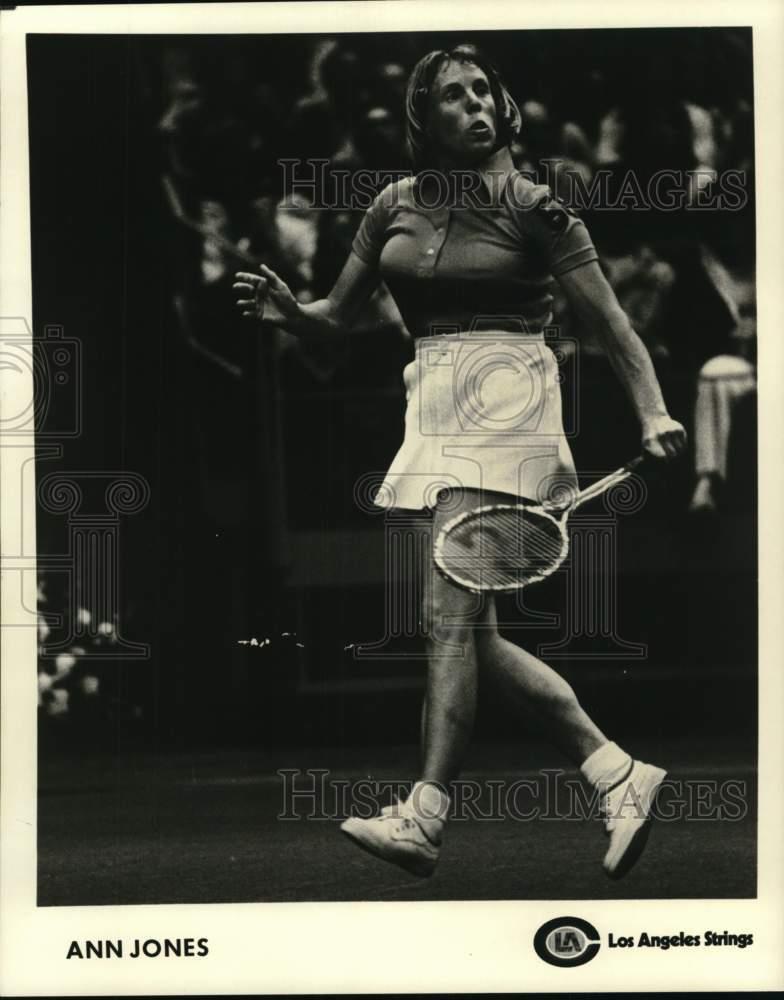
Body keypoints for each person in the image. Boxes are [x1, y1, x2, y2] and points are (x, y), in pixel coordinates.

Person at [234, 43, 687, 881]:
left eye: (486, 92)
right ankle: (615, 772)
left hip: (508, 392)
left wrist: (654, 409)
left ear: (504, 111)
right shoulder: (390, 206)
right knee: (472, 635)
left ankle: (426, 816)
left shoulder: (539, 209)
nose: (476, 105)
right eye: (454, 95)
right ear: (424, 116)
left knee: (446, 615)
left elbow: (614, 326)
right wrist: (292, 315)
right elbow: (339, 315)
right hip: (432, 398)